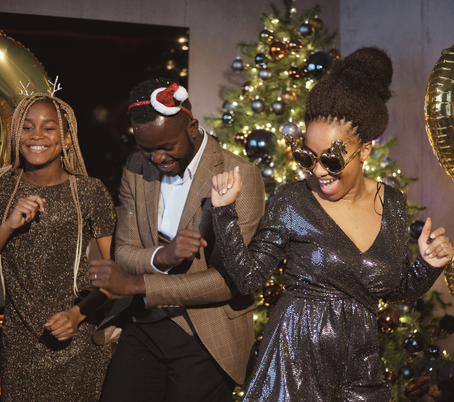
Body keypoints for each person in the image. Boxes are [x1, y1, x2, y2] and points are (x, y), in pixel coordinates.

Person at [210, 47, 454, 401]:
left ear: (366, 150)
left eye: (331, 159)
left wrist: (428, 266)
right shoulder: (293, 200)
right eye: (307, 157)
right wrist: (224, 213)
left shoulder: (393, 205)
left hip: (361, 369)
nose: (319, 170)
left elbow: (392, 288)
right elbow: (248, 277)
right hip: (292, 366)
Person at [88, 78, 265, 401]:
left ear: (193, 127)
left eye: (167, 147)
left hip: (205, 334)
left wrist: (140, 285)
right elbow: (125, 252)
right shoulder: (135, 167)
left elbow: (230, 281)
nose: (156, 158)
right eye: (147, 149)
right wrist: (163, 256)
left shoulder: (241, 175)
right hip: (143, 324)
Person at [0, 93, 116, 401]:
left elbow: (115, 277)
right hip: (20, 345)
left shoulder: (90, 192)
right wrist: (8, 225)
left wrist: (77, 315)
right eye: (27, 127)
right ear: (16, 135)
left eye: (48, 128)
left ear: (66, 138)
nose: (36, 135)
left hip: (80, 340)